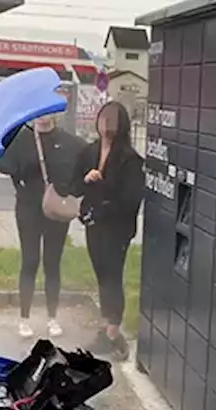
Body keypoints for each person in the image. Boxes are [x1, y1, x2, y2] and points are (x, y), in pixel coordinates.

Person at [0, 110, 86, 338]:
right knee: (30, 261)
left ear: (56, 114)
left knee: (52, 263)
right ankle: (24, 318)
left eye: (48, 113)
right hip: (28, 209)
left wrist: (71, 191)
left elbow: (82, 168)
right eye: (39, 113)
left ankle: (52, 318)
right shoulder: (22, 140)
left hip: (55, 210)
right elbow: (3, 163)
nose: (42, 117)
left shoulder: (69, 142)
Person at [70, 100, 145, 358]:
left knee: (113, 276)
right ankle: (107, 327)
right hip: (94, 224)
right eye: (103, 119)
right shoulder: (88, 151)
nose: (105, 126)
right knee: (102, 275)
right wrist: (85, 179)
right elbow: (73, 187)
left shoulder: (130, 159)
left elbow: (130, 199)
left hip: (116, 228)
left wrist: (102, 190)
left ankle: (112, 331)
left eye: (111, 121)